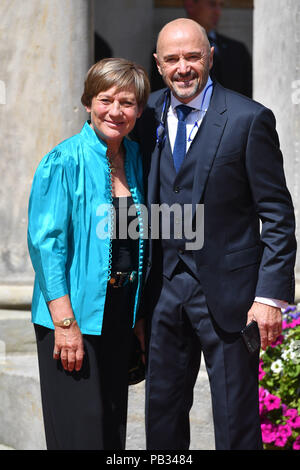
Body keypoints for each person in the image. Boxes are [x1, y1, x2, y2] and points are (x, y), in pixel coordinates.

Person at [133, 18, 296, 450]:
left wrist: (269, 297)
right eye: (172, 59)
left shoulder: (249, 119)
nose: (183, 67)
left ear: (209, 56)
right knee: (162, 418)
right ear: (158, 64)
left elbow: (277, 215)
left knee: (235, 421)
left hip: (232, 297)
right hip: (161, 291)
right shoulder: (142, 116)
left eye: (192, 56)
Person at [27, 58, 150, 450]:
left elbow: (133, 243)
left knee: (111, 434)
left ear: (139, 111)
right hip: (72, 316)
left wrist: (136, 317)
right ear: (88, 102)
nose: (116, 111)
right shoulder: (62, 160)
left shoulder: (134, 159)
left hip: (118, 313)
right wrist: (65, 324)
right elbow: (47, 245)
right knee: (80, 436)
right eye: (106, 99)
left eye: (127, 103)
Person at [150, 0, 252, 97]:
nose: (218, 12)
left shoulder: (237, 50)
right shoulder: (165, 52)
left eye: (220, 5)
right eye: (212, 4)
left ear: (210, 57)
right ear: (190, 4)